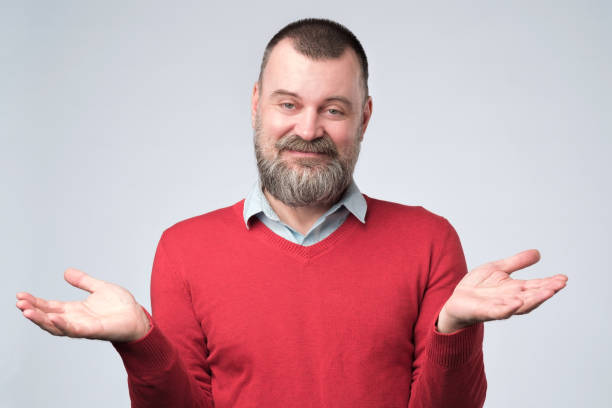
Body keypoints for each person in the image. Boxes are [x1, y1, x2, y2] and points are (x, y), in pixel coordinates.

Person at [16, 18, 568, 408]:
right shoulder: (184, 250)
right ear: (256, 103)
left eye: (334, 109)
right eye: (288, 104)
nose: (308, 130)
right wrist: (141, 344)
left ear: (365, 117)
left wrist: (455, 330)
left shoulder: (429, 240)